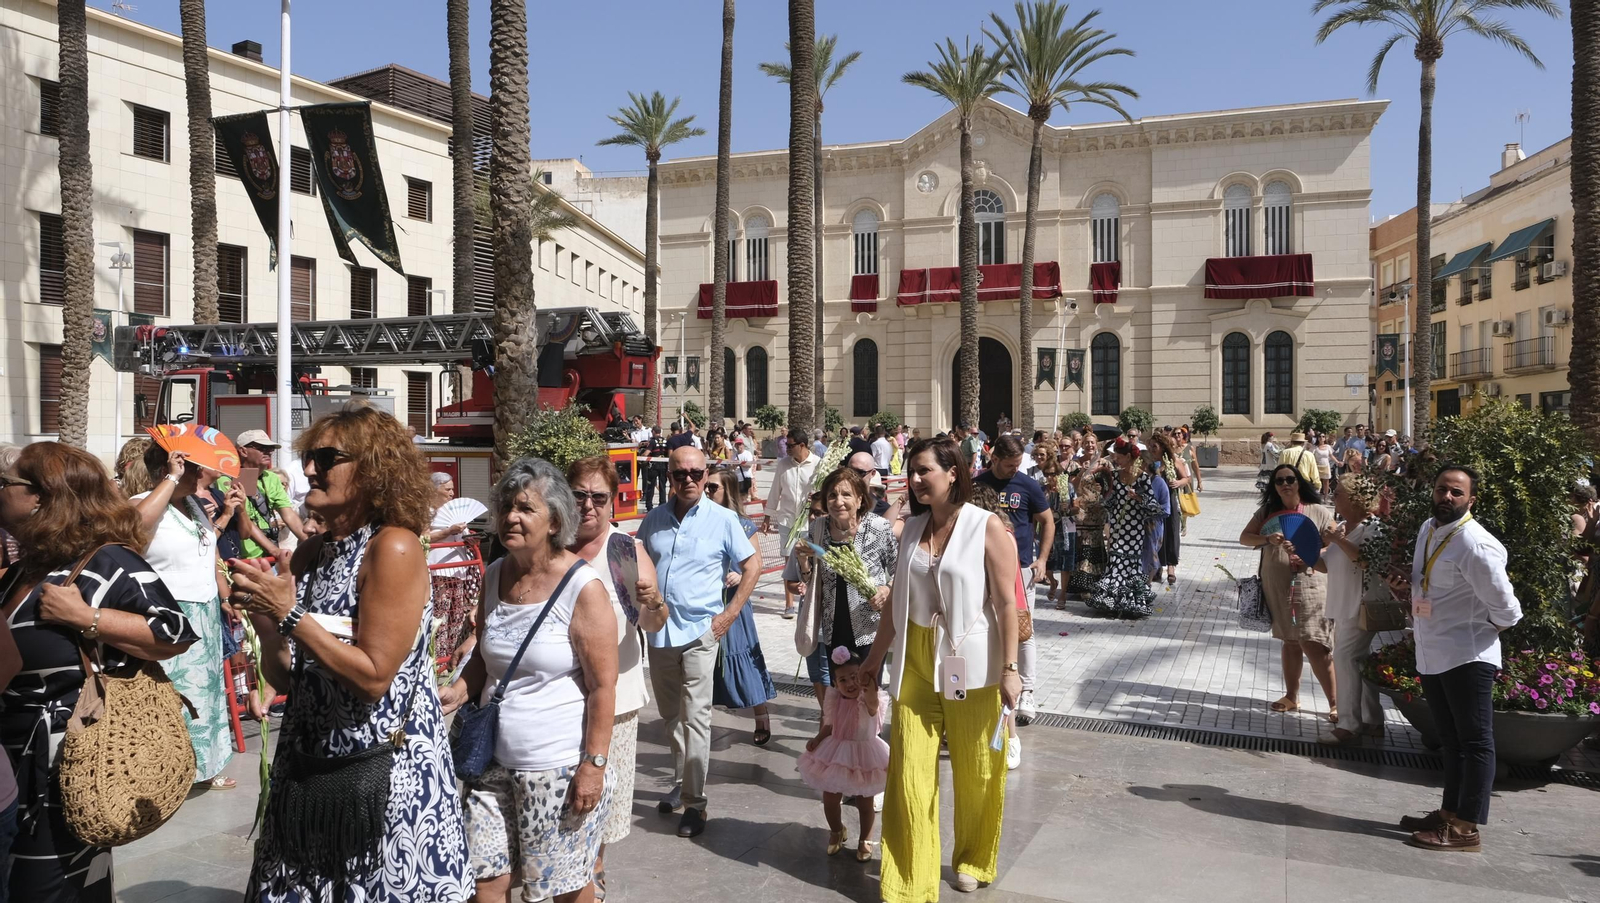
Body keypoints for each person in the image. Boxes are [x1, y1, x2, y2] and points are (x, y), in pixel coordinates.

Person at [232, 407, 469, 901]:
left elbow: (374, 676)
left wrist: (292, 616)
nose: (310, 470)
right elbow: (292, 678)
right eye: (308, 457)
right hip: (311, 770)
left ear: (373, 469)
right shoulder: (315, 552)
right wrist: (263, 617)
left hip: (380, 780)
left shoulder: (393, 548)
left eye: (326, 457)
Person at [0, 442, 197, 902]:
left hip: (66, 761)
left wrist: (86, 618)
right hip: (14, 755)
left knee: (51, 887)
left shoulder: (105, 561)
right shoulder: (26, 568)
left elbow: (174, 633)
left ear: (42, 497)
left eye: (5, 484)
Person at [441, 459, 617, 903]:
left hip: (555, 768)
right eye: (505, 508)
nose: (510, 518)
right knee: (484, 883)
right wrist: (458, 691)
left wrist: (592, 767)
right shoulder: (497, 573)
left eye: (524, 508)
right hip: (490, 762)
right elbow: (485, 657)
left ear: (555, 519)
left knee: (559, 889)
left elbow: (603, 687)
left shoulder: (584, 588)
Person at [863, 436, 1020, 900]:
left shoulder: (986, 527)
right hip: (914, 657)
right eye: (910, 471)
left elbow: (1008, 604)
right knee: (909, 770)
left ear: (953, 472)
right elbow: (896, 601)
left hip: (969, 661)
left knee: (976, 769)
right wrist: (873, 662)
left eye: (923, 471)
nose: (913, 480)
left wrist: (1011, 669)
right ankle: (912, 880)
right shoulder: (911, 528)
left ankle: (972, 857)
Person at [1384, 465, 1522, 852]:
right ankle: (1448, 813)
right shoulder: (1429, 529)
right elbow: (1425, 583)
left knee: (1475, 741)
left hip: (1467, 655)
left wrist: (1476, 630)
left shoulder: (1475, 544)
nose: (1447, 497)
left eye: (1456, 493)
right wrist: (1405, 586)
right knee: (1451, 740)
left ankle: (1466, 829)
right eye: (1442, 489)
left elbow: (1508, 610)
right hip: (1433, 651)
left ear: (1470, 500)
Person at [554, 457, 666, 899]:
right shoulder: (550, 545)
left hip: (615, 699)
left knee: (598, 799)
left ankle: (593, 878)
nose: (588, 505)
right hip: (557, 697)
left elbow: (654, 623)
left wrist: (654, 601)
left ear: (612, 501)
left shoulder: (625, 550)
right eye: (579, 494)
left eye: (599, 497)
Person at [637, 447, 759, 838]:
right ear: (667, 476)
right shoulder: (652, 520)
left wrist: (730, 614)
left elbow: (751, 564)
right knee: (671, 717)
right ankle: (680, 781)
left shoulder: (723, 520)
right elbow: (636, 565)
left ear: (706, 475)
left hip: (700, 634)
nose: (687, 480)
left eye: (695, 473)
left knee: (697, 716)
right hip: (659, 634)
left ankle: (695, 803)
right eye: (678, 474)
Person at [130, 443, 238, 791]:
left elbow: (205, 553)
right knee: (175, 697)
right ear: (168, 467)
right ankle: (171, 771)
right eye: (189, 467)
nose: (197, 474)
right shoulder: (143, 502)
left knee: (206, 696)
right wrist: (173, 477)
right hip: (170, 613)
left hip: (203, 611)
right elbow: (133, 530)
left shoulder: (193, 505)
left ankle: (202, 766)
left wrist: (224, 595)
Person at [787, 468, 897, 714]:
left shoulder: (878, 527)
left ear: (860, 499)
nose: (838, 502)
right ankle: (842, 742)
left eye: (846, 495)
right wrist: (804, 561)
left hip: (869, 627)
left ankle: (870, 744)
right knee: (842, 693)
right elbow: (810, 580)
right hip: (834, 626)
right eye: (832, 496)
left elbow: (900, 569)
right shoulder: (819, 528)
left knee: (868, 690)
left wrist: (887, 589)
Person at [1239, 463, 1338, 720]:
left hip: (1311, 583)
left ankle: (1336, 703)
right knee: (1290, 641)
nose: (1285, 484)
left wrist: (1312, 554)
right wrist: (1267, 539)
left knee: (1314, 642)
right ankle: (1292, 696)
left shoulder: (1317, 511)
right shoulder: (1268, 512)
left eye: (1290, 479)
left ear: (1299, 482)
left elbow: (1336, 543)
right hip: (1278, 586)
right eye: (1279, 481)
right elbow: (1245, 537)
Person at [973, 435, 1053, 731]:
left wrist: (1042, 559)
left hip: (1020, 569)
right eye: (1009, 465)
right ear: (994, 458)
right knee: (988, 628)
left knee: (1023, 631)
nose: (1013, 469)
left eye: (1018, 464)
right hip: (982, 567)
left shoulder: (1028, 485)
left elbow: (1048, 521)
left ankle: (1028, 692)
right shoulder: (978, 484)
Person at [705, 470, 777, 745]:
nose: (707, 492)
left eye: (713, 487)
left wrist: (738, 574)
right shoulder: (702, 520)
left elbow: (756, 564)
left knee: (741, 657)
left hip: (733, 601)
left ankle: (761, 714)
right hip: (707, 599)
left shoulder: (743, 524)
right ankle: (700, 721)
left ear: (728, 491)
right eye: (707, 487)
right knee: (705, 662)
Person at [797, 647, 889, 862]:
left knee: (865, 802)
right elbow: (830, 725)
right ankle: (837, 830)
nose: (849, 684)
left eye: (854, 677)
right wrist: (818, 739)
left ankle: (865, 838)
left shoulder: (869, 699)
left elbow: (874, 708)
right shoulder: (834, 699)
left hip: (866, 753)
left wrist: (870, 687)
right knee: (830, 798)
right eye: (842, 680)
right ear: (836, 683)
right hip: (836, 752)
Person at [1315, 473, 1387, 746]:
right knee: (1358, 661)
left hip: (1363, 604)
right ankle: (1372, 721)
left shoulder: (1373, 527)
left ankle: (1348, 725)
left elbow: (1368, 561)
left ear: (1357, 498)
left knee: (1345, 659)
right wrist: (1305, 553)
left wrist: (1336, 540)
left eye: (1339, 494)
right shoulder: (1345, 527)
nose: (1334, 497)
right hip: (1345, 603)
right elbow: (1327, 565)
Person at [1085, 438, 1160, 619]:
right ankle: (1111, 602)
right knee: (1116, 562)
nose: (1116, 460)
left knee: (1131, 564)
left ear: (1128, 456)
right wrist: (1102, 492)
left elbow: (1154, 507)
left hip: (1135, 530)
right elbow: (1110, 504)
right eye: (1115, 456)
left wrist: (1138, 499)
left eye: (1119, 456)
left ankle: (1129, 604)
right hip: (1118, 527)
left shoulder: (1143, 478)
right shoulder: (1115, 476)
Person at [215, 430, 307, 558]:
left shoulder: (272, 478)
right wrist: (274, 550)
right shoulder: (227, 480)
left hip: (268, 555)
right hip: (242, 557)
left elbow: (288, 514)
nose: (268, 452)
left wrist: (309, 541)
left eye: (271, 448)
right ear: (243, 451)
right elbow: (244, 519)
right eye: (262, 448)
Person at [426, 471, 479, 666]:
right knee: (440, 616)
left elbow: (463, 537)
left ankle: (452, 657)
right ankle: (437, 658)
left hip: (459, 571)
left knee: (456, 616)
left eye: (453, 489)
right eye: (447, 489)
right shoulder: (426, 512)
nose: (451, 493)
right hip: (439, 571)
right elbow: (424, 539)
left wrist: (470, 538)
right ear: (435, 490)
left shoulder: (454, 512)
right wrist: (448, 531)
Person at [765, 430, 818, 619]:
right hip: (787, 520)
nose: (786, 448)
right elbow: (774, 491)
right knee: (788, 560)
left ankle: (809, 600)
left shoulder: (818, 465)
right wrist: (767, 516)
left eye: (790, 445)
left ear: (802, 445)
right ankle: (789, 605)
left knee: (810, 561)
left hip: (809, 522)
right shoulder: (783, 465)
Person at [1065, 440, 1107, 601]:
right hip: (1080, 508)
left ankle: (1093, 583)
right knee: (1081, 544)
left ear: (1096, 444)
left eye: (1092, 442)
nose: (1090, 445)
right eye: (1086, 443)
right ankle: (1078, 584)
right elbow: (1072, 486)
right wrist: (1082, 471)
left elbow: (1110, 485)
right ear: (1082, 445)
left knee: (1094, 543)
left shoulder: (1104, 463)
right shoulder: (1076, 463)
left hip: (1096, 508)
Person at [1149, 432, 1189, 587]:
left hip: (1170, 502)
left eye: (1155, 446)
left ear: (1162, 446)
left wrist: (1179, 483)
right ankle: (1156, 566)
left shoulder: (1173, 461)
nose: (1152, 449)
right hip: (1154, 502)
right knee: (1156, 533)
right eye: (1150, 446)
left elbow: (1186, 478)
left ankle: (1171, 567)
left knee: (1171, 532)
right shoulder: (1149, 462)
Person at [1175, 427, 1202, 537]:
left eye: (1179, 434)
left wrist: (1200, 481)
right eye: (1175, 434)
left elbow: (1195, 466)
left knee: (1183, 503)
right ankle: (1178, 523)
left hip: (1187, 480)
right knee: (1176, 503)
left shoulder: (1190, 448)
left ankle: (1183, 525)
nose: (1177, 435)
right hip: (1175, 479)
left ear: (1183, 435)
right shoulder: (1171, 449)